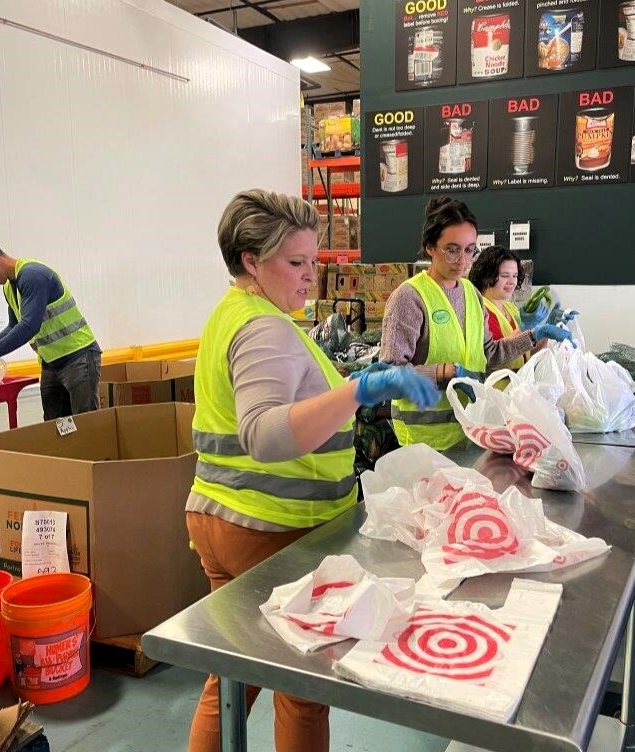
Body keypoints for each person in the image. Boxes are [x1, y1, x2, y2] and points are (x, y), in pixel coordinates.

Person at [186, 189, 439, 752]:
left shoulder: (234, 314)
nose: (310, 278)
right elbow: (265, 432)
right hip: (270, 527)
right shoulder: (264, 329)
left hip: (220, 515)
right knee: (302, 687)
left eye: (314, 262)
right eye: (295, 264)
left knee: (234, 675)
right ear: (251, 262)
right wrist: (356, 390)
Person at [380, 197, 574, 451]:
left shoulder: (472, 294)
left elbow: (489, 352)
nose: (462, 260)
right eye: (452, 249)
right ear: (429, 247)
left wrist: (533, 335)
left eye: (470, 249)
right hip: (426, 441)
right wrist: (445, 373)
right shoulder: (409, 298)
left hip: (473, 430)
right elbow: (387, 378)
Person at [0, 239, 101, 420]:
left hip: (78, 357)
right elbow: (14, 326)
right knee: (55, 427)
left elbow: (29, 327)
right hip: (51, 363)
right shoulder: (9, 287)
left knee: (86, 423)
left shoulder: (33, 275)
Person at [468, 246, 534, 372]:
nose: (512, 282)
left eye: (515, 275)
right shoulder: (479, 311)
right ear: (486, 277)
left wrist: (546, 332)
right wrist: (524, 328)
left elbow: (527, 354)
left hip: (515, 385)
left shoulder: (511, 309)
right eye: (505, 275)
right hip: (494, 387)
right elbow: (493, 357)